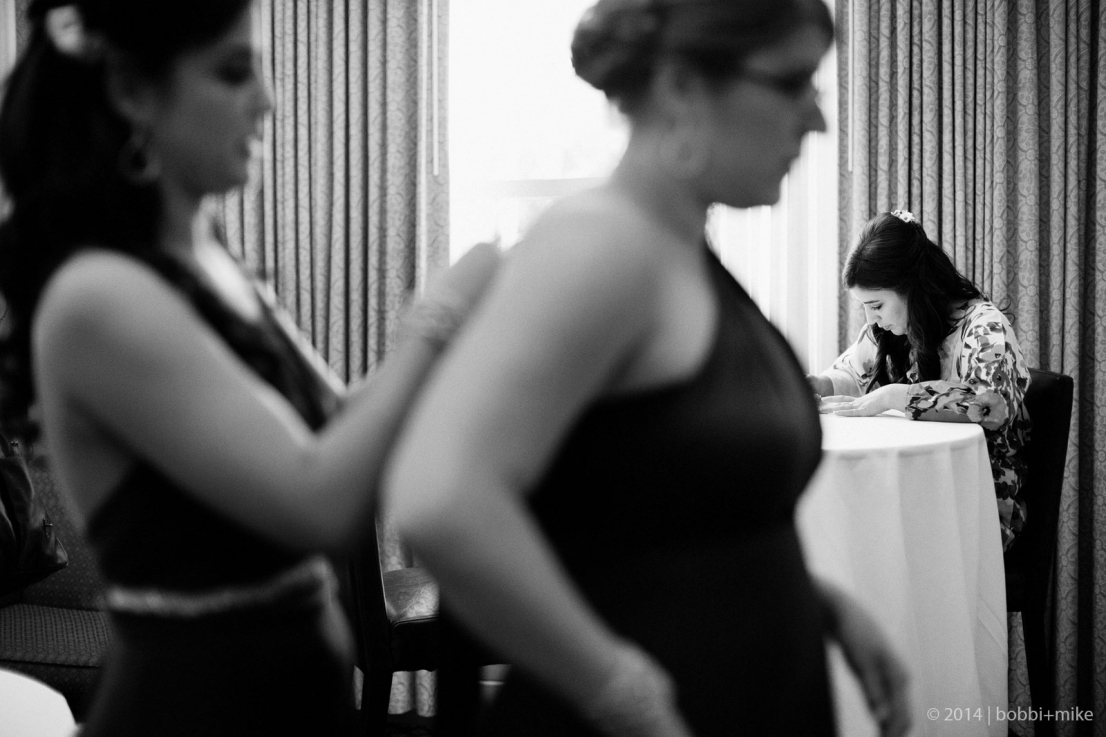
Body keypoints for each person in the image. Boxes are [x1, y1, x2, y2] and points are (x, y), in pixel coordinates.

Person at [385, 1, 911, 735]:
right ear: (682, 87)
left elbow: (654, 515)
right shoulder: (603, 244)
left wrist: (817, 603)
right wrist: (619, 689)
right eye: (793, 83)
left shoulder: (678, 248)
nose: (818, 120)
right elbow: (440, 497)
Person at [0, 0, 498, 734]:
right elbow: (319, 503)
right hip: (194, 705)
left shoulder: (213, 259)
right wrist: (440, 316)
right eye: (235, 72)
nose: (268, 100)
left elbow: (335, 425)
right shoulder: (97, 295)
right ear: (133, 92)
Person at [809, 210, 1031, 551]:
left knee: (859, 536)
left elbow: (991, 405)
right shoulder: (893, 329)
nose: (872, 319)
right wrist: (821, 385)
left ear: (912, 287)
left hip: (977, 499)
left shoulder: (985, 327)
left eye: (876, 305)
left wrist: (895, 396)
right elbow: (852, 372)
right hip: (915, 485)